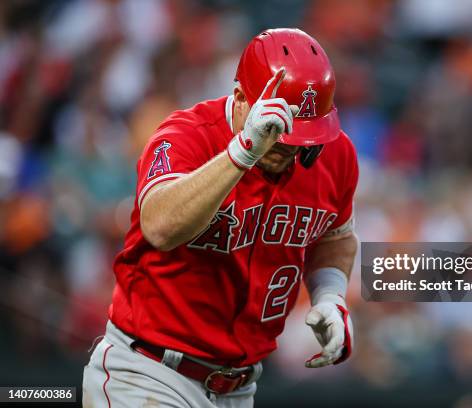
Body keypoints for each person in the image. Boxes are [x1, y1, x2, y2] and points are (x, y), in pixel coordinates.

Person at [82, 28, 359, 408]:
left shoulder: (336, 154)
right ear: (242, 98)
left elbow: (336, 235)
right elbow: (160, 227)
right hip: (151, 372)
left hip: (240, 388)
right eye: (281, 133)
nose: (291, 147)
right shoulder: (185, 135)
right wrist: (242, 152)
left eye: (304, 136)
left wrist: (330, 294)